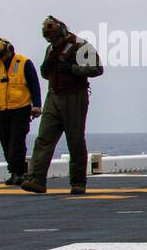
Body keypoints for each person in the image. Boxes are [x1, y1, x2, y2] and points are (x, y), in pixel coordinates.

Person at [21, 17, 102, 195]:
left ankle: (78, 183)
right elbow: (46, 73)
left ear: (62, 32)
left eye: (54, 37)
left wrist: (72, 68)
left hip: (74, 97)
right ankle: (37, 180)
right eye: (49, 38)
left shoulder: (81, 46)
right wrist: (45, 69)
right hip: (54, 96)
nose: (52, 41)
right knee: (43, 138)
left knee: (75, 141)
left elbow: (97, 68)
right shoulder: (50, 48)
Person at [0, 38, 41, 186]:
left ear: (9, 49)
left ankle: (19, 173)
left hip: (20, 108)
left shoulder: (23, 62)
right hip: (1, 109)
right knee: (4, 139)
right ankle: (14, 172)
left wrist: (37, 105)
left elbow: (34, 84)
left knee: (17, 141)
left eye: (1, 54)